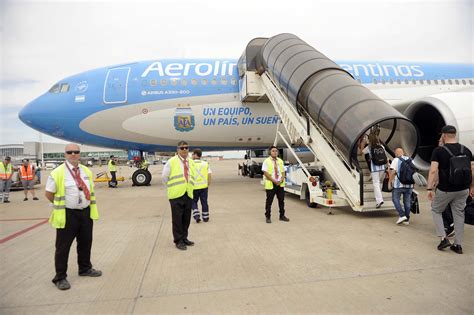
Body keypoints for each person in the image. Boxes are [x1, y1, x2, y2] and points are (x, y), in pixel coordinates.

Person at [45, 144, 102, 290]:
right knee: (63, 247)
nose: (73, 154)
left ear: (79, 154)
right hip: (68, 214)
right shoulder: (58, 173)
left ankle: (85, 268)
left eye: (76, 152)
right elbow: (49, 194)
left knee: (85, 242)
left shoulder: (86, 171)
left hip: (85, 212)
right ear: (65, 154)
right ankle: (60, 277)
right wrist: (61, 204)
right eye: (69, 152)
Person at [427, 125, 474, 254]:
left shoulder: (439, 151)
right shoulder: (467, 150)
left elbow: (433, 170)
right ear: (454, 134)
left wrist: (429, 188)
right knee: (459, 214)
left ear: (444, 135)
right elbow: (473, 169)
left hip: (446, 189)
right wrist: (472, 186)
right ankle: (458, 245)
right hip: (463, 189)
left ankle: (443, 238)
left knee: (436, 209)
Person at [162, 141, 196, 250]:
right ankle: (178, 240)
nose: (184, 150)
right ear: (178, 150)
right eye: (182, 148)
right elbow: (164, 177)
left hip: (188, 193)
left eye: (186, 148)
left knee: (186, 219)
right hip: (176, 195)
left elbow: (192, 175)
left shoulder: (191, 162)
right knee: (177, 220)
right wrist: (172, 188)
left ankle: (184, 238)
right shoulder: (171, 161)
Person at [262, 146, 290, 223]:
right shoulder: (266, 161)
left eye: (276, 151)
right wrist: (274, 181)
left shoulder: (280, 161)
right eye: (273, 151)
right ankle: (268, 217)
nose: (275, 152)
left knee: (281, 201)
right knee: (269, 202)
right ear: (270, 152)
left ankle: (282, 216)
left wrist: (281, 179)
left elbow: (283, 172)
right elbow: (265, 173)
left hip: (280, 185)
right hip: (271, 184)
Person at [362, 133, 389, 208]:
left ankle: (379, 200)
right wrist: (388, 166)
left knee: (376, 183)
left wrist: (364, 143)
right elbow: (386, 157)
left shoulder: (369, 147)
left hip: (375, 168)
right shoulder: (382, 146)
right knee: (378, 182)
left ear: (369, 139)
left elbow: (362, 152)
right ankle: (379, 198)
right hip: (382, 167)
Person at [389, 148, 414, 224]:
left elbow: (392, 172)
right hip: (409, 185)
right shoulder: (410, 159)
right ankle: (407, 220)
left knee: (395, 199)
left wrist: (390, 181)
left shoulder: (396, 160)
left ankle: (402, 215)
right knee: (407, 202)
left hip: (398, 185)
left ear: (396, 154)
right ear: (403, 152)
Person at [191, 148, 212, 223]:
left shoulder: (190, 164)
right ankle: (205, 217)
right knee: (204, 202)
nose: (192, 155)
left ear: (196, 155)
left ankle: (196, 215)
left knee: (193, 202)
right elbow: (209, 175)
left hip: (194, 187)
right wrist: (208, 184)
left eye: (193, 154)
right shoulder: (205, 163)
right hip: (204, 187)